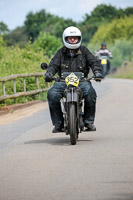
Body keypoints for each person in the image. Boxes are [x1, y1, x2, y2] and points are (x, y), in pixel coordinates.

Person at [45, 26, 102, 133]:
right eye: (70, 38)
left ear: (79, 38)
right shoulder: (61, 52)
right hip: (63, 82)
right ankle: (59, 123)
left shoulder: (84, 51)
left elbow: (93, 62)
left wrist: (97, 72)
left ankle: (88, 121)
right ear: (65, 39)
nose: (72, 40)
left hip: (82, 81)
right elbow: (53, 65)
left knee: (91, 94)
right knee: (52, 94)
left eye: (75, 38)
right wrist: (49, 74)